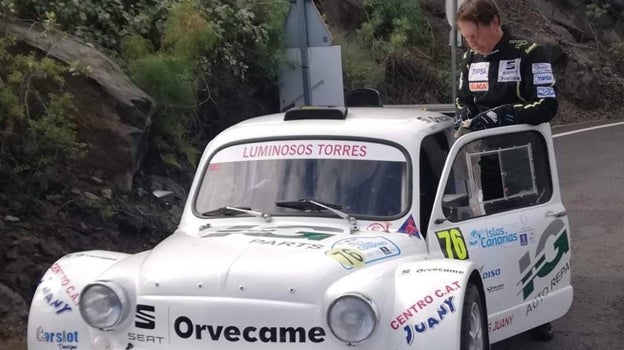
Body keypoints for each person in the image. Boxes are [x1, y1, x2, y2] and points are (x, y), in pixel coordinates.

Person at [454, 0, 558, 132]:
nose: (472, 43)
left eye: (475, 35)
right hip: (481, 146)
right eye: (466, 37)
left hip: (526, 145)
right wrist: (463, 114)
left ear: (494, 22)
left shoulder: (530, 52)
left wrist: (504, 114)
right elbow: (462, 100)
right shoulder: (471, 58)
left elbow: (547, 105)